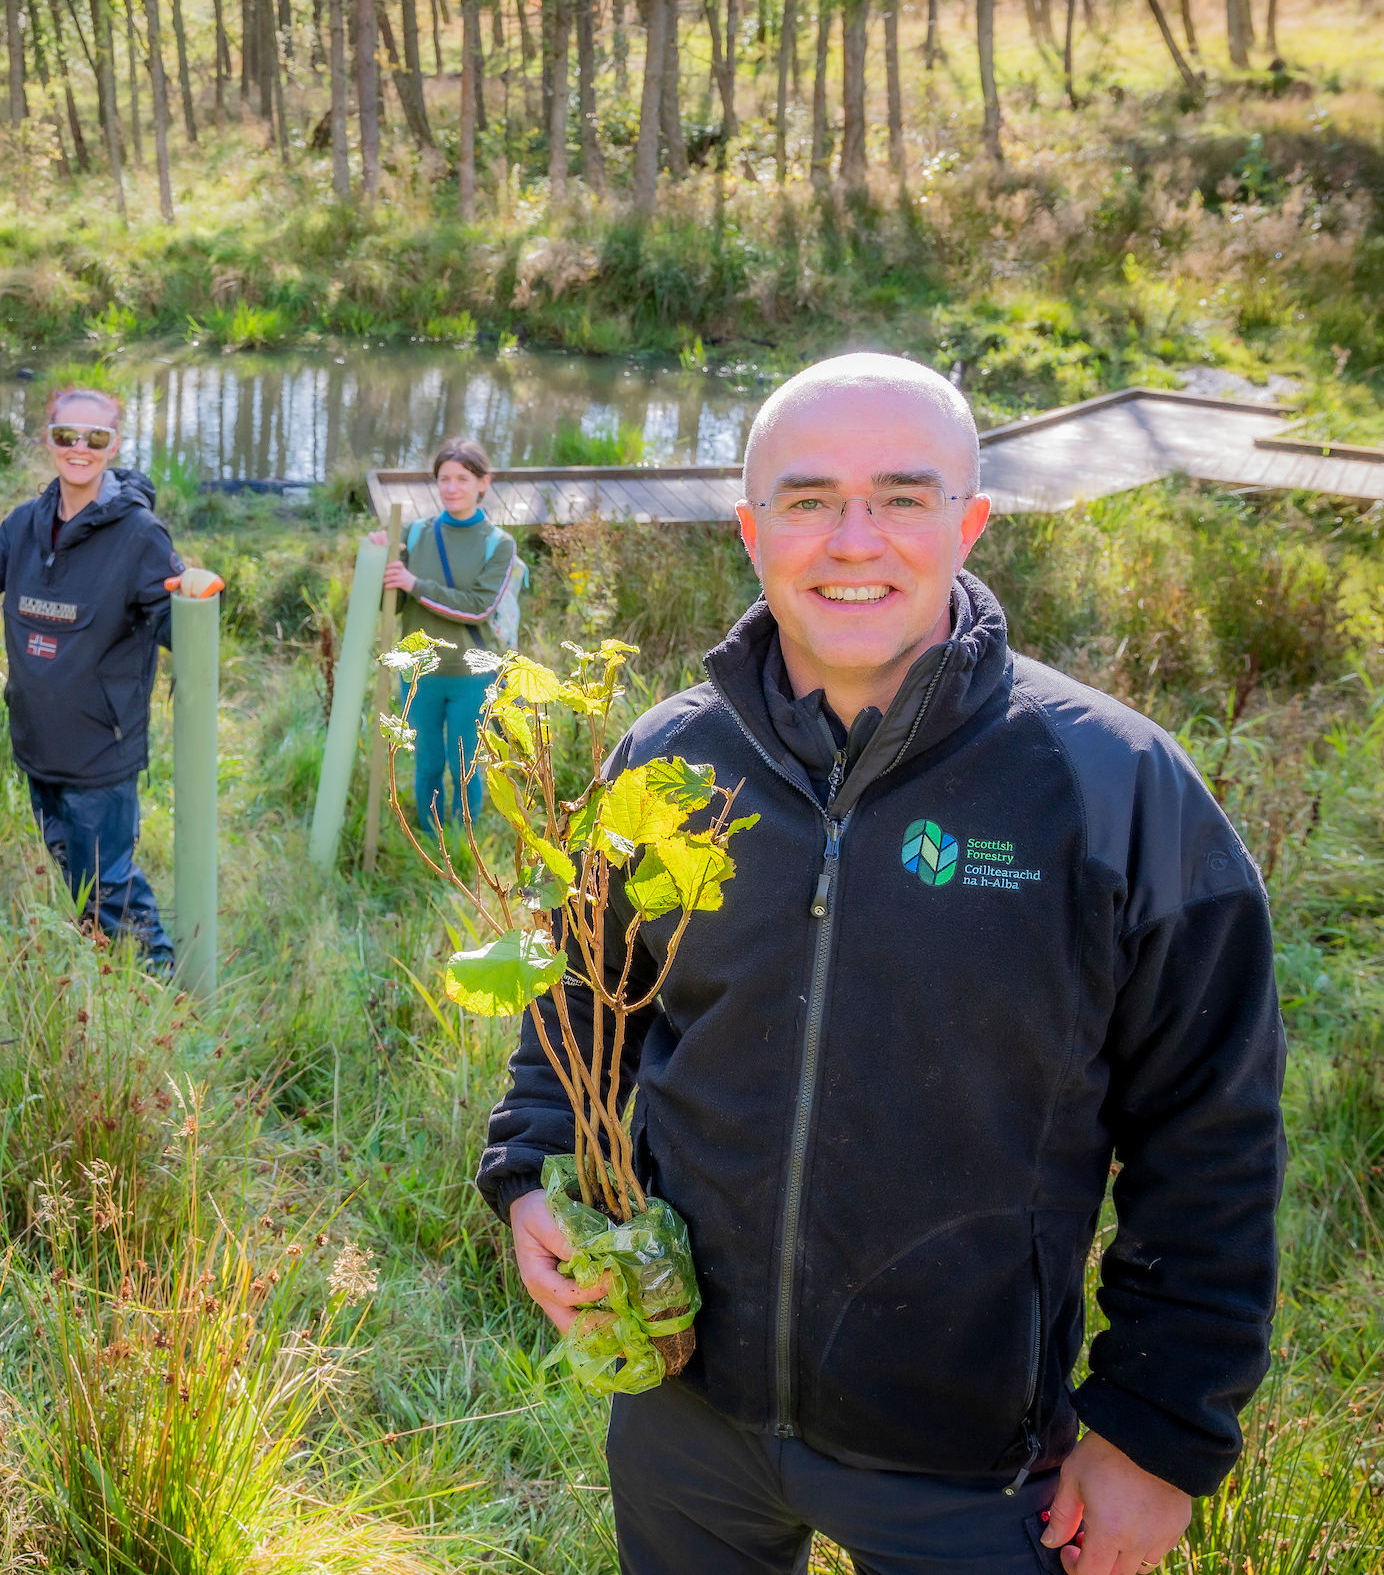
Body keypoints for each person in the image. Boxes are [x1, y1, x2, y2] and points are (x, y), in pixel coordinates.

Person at [476, 354, 1282, 1575]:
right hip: (686, 1417)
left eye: (903, 497)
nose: (854, 540)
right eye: (807, 501)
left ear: (969, 522)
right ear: (752, 533)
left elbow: (1214, 1131)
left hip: (974, 1465)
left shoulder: (1112, 784)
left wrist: (1158, 1433)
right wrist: (534, 1175)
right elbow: (580, 1004)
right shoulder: (666, 762)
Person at [0, 389, 220, 973]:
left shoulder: (138, 536)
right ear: (47, 440)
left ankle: (163, 992)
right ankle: (101, 983)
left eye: (95, 438)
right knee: (77, 884)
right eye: (66, 436)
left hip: (101, 755)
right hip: (38, 747)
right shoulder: (25, 525)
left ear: (114, 447)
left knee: (109, 887)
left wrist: (193, 604)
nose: (79, 449)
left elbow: (174, 627)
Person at [366, 437, 517, 834]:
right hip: (419, 673)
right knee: (429, 759)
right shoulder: (415, 534)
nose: (451, 488)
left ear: (483, 482)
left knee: (464, 763)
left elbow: (477, 606)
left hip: (472, 675)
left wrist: (415, 582)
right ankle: (431, 837)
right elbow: (393, 606)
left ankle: (463, 838)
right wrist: (378, 561)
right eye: (444, 479)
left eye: (462, 479)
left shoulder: (499, 544)